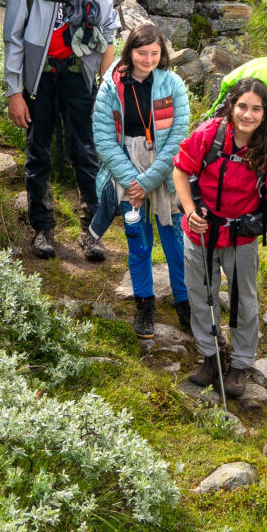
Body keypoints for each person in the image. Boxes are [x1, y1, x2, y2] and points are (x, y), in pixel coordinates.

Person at [2, 0, 118, 261]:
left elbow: (109, 29)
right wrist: (14, 92)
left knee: (86, 152)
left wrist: (106, 82)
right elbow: (13, 40)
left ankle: (92, 232)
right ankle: (42, 229)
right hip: (40, 81)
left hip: (78, 78)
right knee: (38, 153)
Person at [173, 76, 267, 396]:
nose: (248, 115)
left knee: (244, 300)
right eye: (242, 106)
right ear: (231, 106)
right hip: (200, 230)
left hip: (241, 234)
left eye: (256, 109)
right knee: (201, 295)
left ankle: (240, 365)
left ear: (266, 113)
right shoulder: (210, 134)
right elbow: (181, 170)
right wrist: (189, 211)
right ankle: (212, 355)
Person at [90, 22, 192, 340]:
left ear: (162, 54)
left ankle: (186, 305)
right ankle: (144, 304)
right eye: (141, 52)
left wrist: (148, 181)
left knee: (175, 243)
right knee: (138, 242)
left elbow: (177, 139)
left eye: (154, 53)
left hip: (164, 174)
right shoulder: (111, 85)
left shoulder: (173, 85)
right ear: (130, 51)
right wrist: (133, 181)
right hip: (126, 171)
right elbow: (104, 138)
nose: (147, 59)